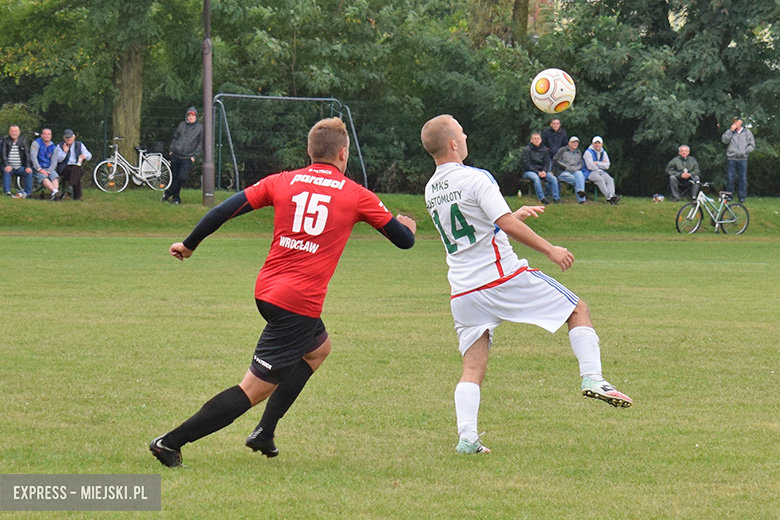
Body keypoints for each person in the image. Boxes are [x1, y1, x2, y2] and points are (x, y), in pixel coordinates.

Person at [149, 117, 417, 468]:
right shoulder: (355, 194)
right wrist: (408, 225)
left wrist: (189, 244)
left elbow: (223, 210)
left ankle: (265, 432)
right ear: (343, 153)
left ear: (309, 151)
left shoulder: (283, 181)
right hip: (297, 305)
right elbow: (404, 241)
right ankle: (169, 442)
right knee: (253, 390)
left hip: (268, 291)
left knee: (318, 350)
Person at [421, 115, 632, 455]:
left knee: (472, 366)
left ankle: (467, 439)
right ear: (453, 144)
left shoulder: (432, 189)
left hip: (462, 290)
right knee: (577, 309)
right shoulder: (475, 177)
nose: (466, 134)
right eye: (462, 131)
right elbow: (500, 223)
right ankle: (593, 377)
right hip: (500, 277)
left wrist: (509, 218)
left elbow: (475, 229)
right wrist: (550, 249)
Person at [162, 106, 204, 204]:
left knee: (182, 177)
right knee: (175, 177)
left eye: (192, 115)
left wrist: (194, 156)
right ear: (186, 116)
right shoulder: (182, 125)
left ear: (196, 116)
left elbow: (200, 143)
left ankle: (168, 193)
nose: (191, 117)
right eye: (189, 115)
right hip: (176, 155)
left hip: (187, 157)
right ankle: (176, 198)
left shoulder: (200, 128)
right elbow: (175, 137)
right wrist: (171, 150)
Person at [721, 116, 755, 203]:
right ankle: (729, 196)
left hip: (743, 158)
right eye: (734, 121)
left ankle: (742, 197)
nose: (735, 123)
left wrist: (745, 152)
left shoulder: (747, 132)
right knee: (730, 178)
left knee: (742, 178)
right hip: (731, 158)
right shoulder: (730, 132)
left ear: (741, 122)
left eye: (737, 121)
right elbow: (724, 140)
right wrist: (731, 131)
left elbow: (752, 145)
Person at [521, 132, 559, 204]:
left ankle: (556, 198)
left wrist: (544, 171)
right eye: (534, 139)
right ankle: (542, 198)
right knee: (536, 178)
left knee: (553, 178)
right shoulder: (526, 150)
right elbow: (527, 164)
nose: (536, 140)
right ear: (531, 140)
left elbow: (547, 162)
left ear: (541, 140)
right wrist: (537, 172)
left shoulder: (544, 150)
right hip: (528, 171)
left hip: (542, 171)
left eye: (538, 138)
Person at [55, 129, 92, 201]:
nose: (68, 139)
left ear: (74, 137)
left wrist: (84, 156)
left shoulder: (79, 144)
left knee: (76, 169)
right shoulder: (60, 146)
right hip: (64, 167)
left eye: (70, 137)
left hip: (76, 166)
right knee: (76, 171)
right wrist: (64, 152)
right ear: (64, 138)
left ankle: (71, 190)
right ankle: (76, 196)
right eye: (67, 138)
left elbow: (89, 155)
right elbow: (58, 159)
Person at [582, 136, 620, 205]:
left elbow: (607, 165)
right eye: (595, 143)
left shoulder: (603, 153)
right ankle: (609, 197)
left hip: (600, 171)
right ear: (592, 144)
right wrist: (601, 164)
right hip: (589, 172)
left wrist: (596, 163)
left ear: (601, 144)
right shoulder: (588, 153)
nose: (597, 145)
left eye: (598, 143)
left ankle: (612, 196)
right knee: (600, 180)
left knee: (610, 179)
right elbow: (590, 166)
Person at [1, 125, 33, 198]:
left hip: (20, 166)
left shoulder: (23, 140)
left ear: (19, 132)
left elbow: (27, 154)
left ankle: (28, 193)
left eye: (16, 131)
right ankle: (7, 192)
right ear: (9, 132)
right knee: (7, 171)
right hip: (9, 166)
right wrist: (6, 165)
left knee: (29, 173)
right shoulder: (5, 140)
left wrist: (28, 166)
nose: (14, 133)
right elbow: (3, 155)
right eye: (12, 131)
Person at [553, 136, 587, 203]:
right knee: (578, 180)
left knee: (580, 174)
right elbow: (555, 159)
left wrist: (576, 168)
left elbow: (580, 163)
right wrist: (564, 167)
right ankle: (581, 199)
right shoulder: (563, 150)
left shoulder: (578, 152)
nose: (575, 144)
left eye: (576, 143)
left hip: (574, 171)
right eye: (573, 142)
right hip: (563, 171)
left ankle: (581, 200)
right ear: (569, 143)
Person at [30, 128, 60, 201]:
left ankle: (54, 193)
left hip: (49, 168)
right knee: (44, 178)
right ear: (42, 135)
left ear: (51, 136)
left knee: (55, 177)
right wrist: (39, 169)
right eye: (45, 134)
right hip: (37, 168)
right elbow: (33, 156)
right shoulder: (36, 143)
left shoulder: (54, 147)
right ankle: (55, 192)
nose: (47, 136)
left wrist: (49, 171)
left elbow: (54, 161)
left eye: (49, 134)